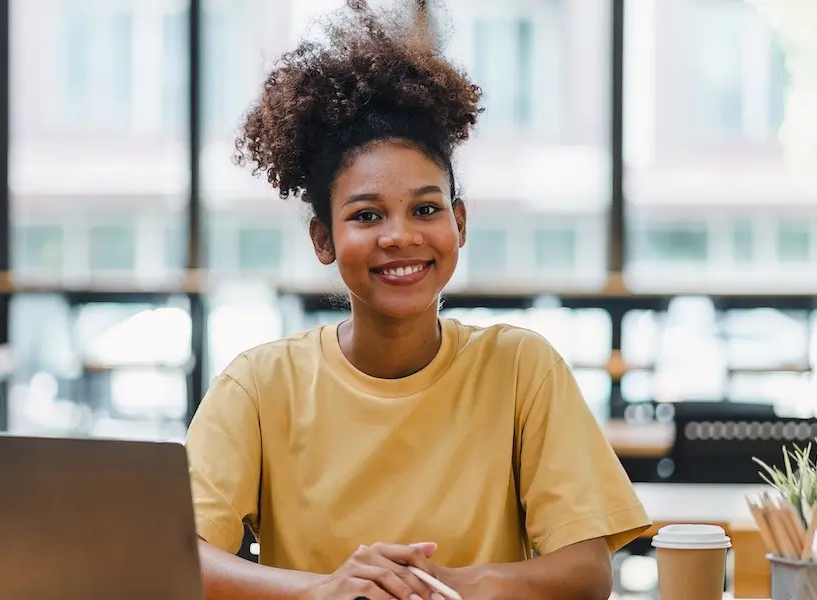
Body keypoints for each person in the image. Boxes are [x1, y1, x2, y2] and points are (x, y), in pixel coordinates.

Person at [185, 2, 651, 598]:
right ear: (323, 238)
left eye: (426, 209)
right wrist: (323, 591)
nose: (400, 235)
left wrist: (444, 584)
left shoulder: (520, 369)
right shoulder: (259, 384)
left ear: (459, 223)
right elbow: (181, 559)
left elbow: (587, 572)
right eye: (367, 214)